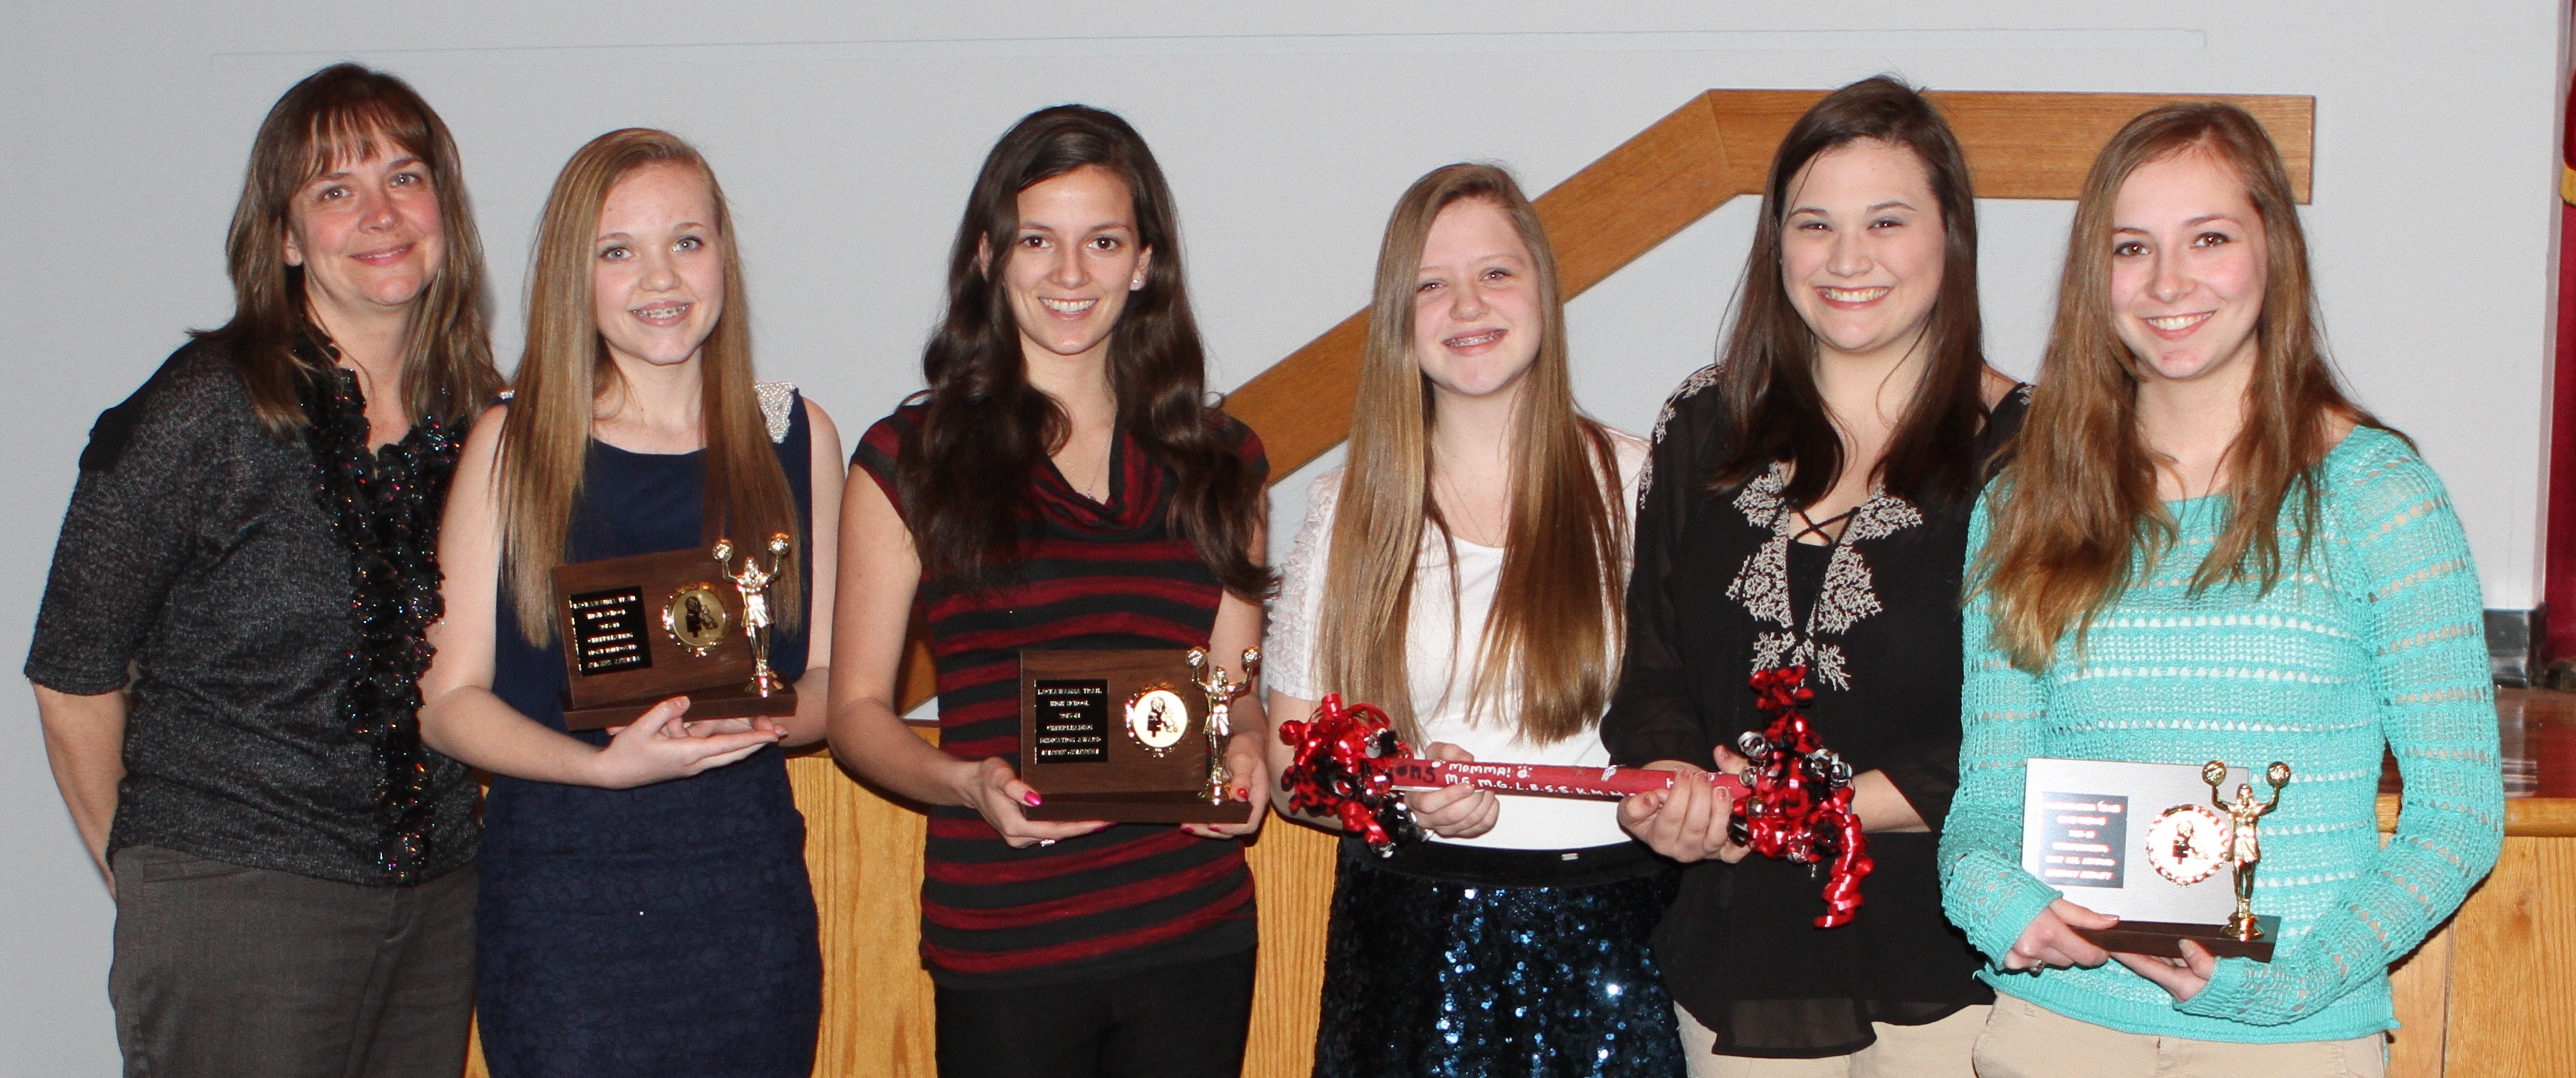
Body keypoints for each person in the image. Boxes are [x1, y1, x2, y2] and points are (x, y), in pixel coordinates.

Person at [1941, 102, 2501, 1077]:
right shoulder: (2024, 501)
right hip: (2057, 1030)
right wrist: (1991, 893)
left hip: (2290, 1038)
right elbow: (1991, 794)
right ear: (2095, 277)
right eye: (2131, 248)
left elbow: (2456, 818)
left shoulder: (2379, 497)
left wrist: (2287, 983)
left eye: (2208, 238)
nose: (2168, 282)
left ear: (2273, 251)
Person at [24, 64, 502, 1077]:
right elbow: (71, 672)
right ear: (285, 237)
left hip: (436, 908)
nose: (380, 213)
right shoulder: (202, 408)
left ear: (444, 210)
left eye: (405, 178)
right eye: (335, 189)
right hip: (239, 901)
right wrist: (147, 877)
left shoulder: (483, 419)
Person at [828, 104, 1272, 1078]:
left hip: (1193, 925)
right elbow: (854, 712)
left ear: (1144, 263)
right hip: (1007, 938)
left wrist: (1247, 751)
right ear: (989, 256)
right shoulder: (909, 459)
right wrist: (967, 784)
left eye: (1102, 241)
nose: (1070, 273)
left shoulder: (1224, 460)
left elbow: (1233, 689)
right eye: (1038, 240)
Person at [1600, 74, 2026, 1076]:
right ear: (1777, 243)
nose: (1846, 258)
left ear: (1950, 235)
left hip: (1950, 952)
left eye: (1886, 221)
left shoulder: (2034, 451)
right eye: (1814, 224)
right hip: (1741, 945)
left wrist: (1808, 808)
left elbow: (2043, 719)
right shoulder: (1703, 424)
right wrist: (1674, 789)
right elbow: (1654, 671)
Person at [417, 128, 841, 1077]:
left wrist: (753, 718)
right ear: (575, 275)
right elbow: (446, 703)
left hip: (743, 892)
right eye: (619, 251)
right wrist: (602, 768)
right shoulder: (510, 442)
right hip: (566, 899)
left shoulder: (796, 434)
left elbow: (828, 683)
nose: (661, 278)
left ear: (723, 253)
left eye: (687, 241)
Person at [1260, 162, 1672, 1076]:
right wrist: (1393, 791)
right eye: (1430, 285)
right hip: (1410, 943)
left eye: (1495, 272)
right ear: (1397, 319)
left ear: (1543, 290)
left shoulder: (1643, 486)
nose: (1467, 305)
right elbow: (1291, 775)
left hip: (1616, 937)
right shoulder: (1347, 511)